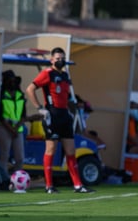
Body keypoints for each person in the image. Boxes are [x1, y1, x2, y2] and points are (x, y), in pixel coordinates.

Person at [25, 47, 94, 194]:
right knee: (51, 149)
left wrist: (73, 106)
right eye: (57, 58)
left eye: (62, 58)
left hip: (64, 116)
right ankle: (49, 185)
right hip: (52, 115)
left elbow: (66, 96)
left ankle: (77, 185)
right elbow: (30, 89)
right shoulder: (47, 74)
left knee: (71, 150)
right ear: (51, 60)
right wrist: (39, 108)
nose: (60, 61)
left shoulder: (65, 75)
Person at [0, 69, 41, 190]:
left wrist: (16, 128)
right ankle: (4, 181)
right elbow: (0, 116)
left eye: (13, 80)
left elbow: (23, 115)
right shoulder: (1, 95)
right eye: (9, 80)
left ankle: (17, 182)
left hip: (18, 129)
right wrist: (11, 129)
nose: (12, 82)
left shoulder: (20, 95)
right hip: (5, 128)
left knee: (20, 157)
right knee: (4, 156)